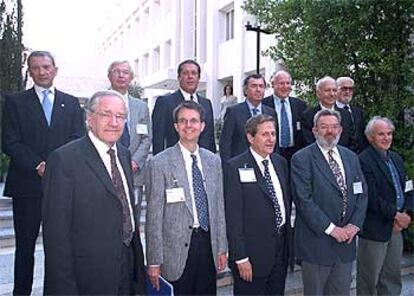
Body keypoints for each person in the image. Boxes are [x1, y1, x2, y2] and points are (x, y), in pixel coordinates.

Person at [42, 90, 146, 295]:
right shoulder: (64, 160)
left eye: (120, 116)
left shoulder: (124, 154)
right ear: (89, 118)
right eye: (105, 114)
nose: (114, 122)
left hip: (128, 267)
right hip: (89, 276)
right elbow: (56, 235)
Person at [1, 50, 85, 295]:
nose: (42, 71)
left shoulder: (70, 103)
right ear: (30, 71)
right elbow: (10, 141)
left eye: (46, 66)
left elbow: (77, 138)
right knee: (25, 248)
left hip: (62, 187)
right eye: (36, 67)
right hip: (27, 186)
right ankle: (21, 292)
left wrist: (56, 166)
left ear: (55, 69)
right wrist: (38, 165)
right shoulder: (15, 102)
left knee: (59, 247)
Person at [146, 101, 227, 295]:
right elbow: (154, 217)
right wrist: (154, 261)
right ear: (176, 127)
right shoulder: (159, 163)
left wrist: (222, 247)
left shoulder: (213, 161)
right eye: (183, 121)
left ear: (202, 126)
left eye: (193, 121)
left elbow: (219, 207)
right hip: (175, 252)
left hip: (208, 246)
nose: (188, 125)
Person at [291, 109, 368, 295]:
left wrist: (355, 225)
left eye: (334, 127)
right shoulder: (301, 158)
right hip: (317, 244)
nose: (330, 132)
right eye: (324, 127)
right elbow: (304, 200)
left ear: (341, 130)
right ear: (315, 130)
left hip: (346, 244)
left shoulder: (350, 157)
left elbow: (362, 193)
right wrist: (333, 229)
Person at [225, 114, 291, 295]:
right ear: (250, 137)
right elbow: (233, 217)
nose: (271, 139)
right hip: (252, 257)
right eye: (265, 134)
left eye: (273, 134)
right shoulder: (235, 167)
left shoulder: (281, 163)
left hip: (280, 251)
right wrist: (240, 257)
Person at [357, 116, 413, 295]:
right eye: (381, 134)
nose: (386, 138)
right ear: (370, 137)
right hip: (375, 229)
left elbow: (409, 188)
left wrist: (407, 214)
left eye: (389, 133)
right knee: (369, 280)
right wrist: (396, 215)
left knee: (392, 278)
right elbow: (371, 197)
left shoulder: (396, 158)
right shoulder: (363, 160)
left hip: (396, 229)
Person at [108, 60, 151, 218]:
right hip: (107, 170)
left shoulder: (141, 107)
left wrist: (134, 161)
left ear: (131, 77)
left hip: (135, 172)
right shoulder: (99, 102)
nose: (121, 75)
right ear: (109, 76)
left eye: (125, 72)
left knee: (133, 214)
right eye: (116, 71)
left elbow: (146, 138)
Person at [152, 59, 216, 155]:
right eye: (185, 73)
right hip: (174, 162)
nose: (190, 77)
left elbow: (210, 137)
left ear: (198, 78)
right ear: (179, 77)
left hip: (202, 161)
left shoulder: (206, 103)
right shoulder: (165, 102)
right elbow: (158, 138)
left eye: (194, 73)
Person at [219, 74, 277, 164]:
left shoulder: (271, 112)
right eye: (254, 86)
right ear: (245, 90)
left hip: (264, 164)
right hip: (240, 165)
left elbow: (274, 143)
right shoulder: (233, 112)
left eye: (261, 86)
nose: (258, 89)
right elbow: (225, 143)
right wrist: (227, 167)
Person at [263, 70, 308, 161]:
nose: (285, 86)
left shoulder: (300, 105)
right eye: (281, 83)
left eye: (288, 83)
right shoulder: (264, 105)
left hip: (295, 154)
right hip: (272, 152)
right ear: (273, 85)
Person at [300, 76, 355, 150]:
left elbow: (351, 142)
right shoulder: (307, 116)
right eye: (327, 90)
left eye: (334, 90)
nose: (332, 94)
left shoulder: (346, 115)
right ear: (318, 93)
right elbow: (308, 142)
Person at [336, 76, 368, 153]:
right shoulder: (331, 111)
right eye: (344, 88)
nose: (347, 92)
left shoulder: (358, 111)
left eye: (350, 89)